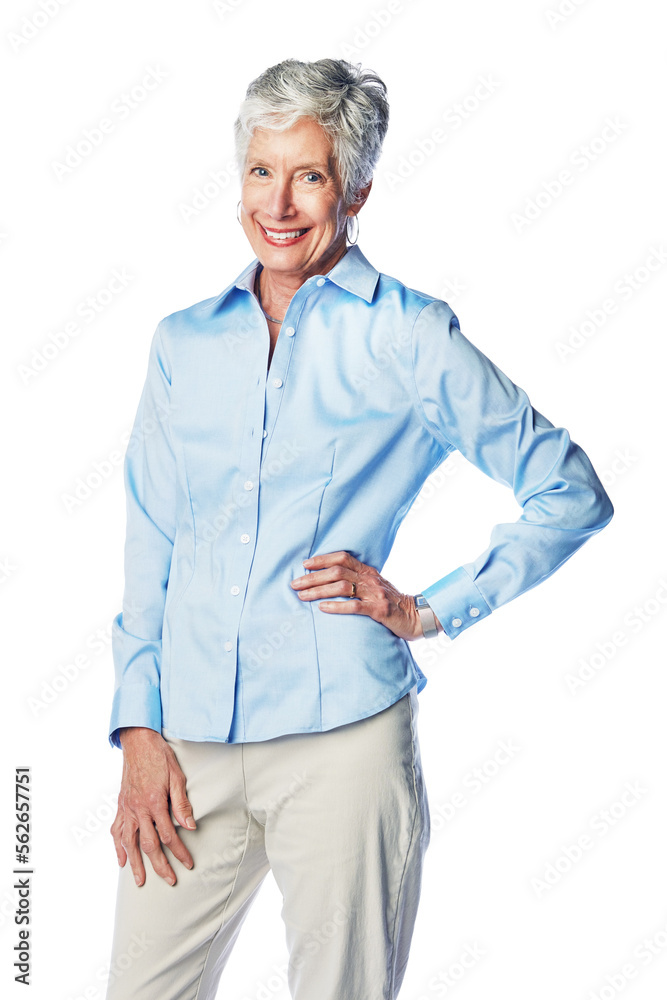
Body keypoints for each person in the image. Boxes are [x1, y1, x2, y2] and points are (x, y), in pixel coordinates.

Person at [105, 58, 614, 1000]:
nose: (280, 203)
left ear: (358, 188)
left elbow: (568, 490)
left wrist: (428, 609)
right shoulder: (184, 341)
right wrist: (138, 727)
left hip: (342, 744)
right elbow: (151, 542)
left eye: (310, 175)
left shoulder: (409, 335)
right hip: (186, 754)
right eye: (262, 171)